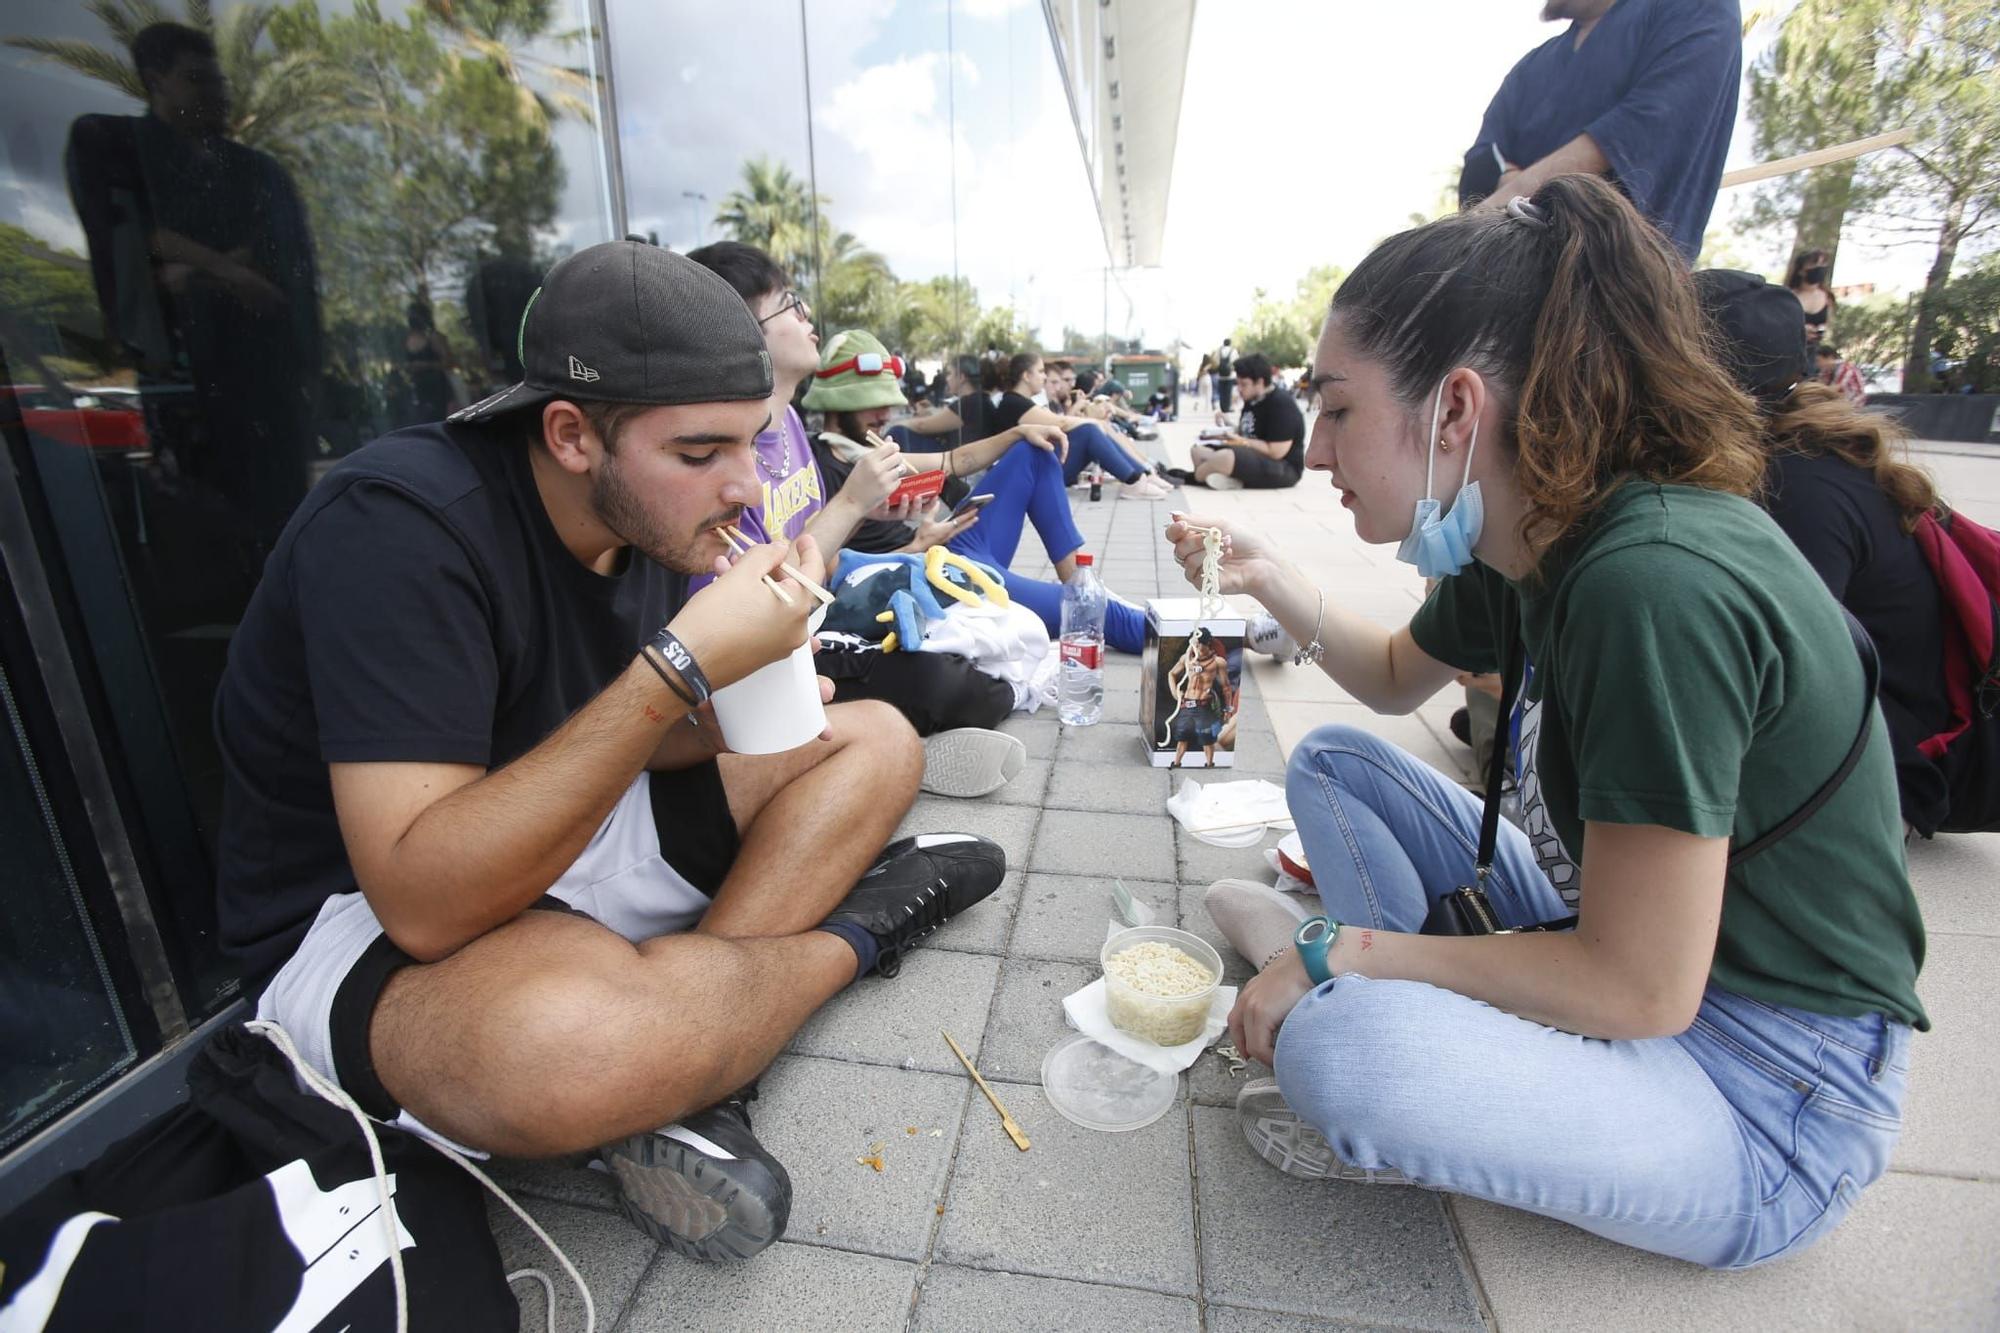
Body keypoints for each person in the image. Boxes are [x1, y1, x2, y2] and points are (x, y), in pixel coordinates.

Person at [1171, 175, 1924, 1269]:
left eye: (1335, 408)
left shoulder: (1648, 583)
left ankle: (1342, 978)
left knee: (1344, 1051)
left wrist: (1340, 954)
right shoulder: (1528, 525)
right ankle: (1372, 978)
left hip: (1767, 1090)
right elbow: (1386, 679)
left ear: (1457, 411)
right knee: (1335, 760)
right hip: (1632, 948)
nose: (1315, 450)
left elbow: (1638, 986)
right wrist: (1263, 573)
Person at [213, 240, 1008, 1264]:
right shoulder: (399, 527)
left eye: (752, 443)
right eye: (698, 453)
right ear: (570, 433)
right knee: (570, 1048)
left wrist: (713, 718)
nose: (741, 488)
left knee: (873, 735)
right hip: (364, 915)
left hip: (563, 833)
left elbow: (611, 741)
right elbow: (421, 898)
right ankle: (855, 931)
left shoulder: (647, 519)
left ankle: (696, 1058)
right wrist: (676, 670)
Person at [685, 242, 1026, 795]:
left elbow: (830, 556)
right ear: (744, 332)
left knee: (996, 632)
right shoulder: (732, 453)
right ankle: (883, 751)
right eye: (791, 305)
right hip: (773, 651)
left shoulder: (789, 421)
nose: (808, 319)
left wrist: (900, 536)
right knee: (963, 684)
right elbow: (768, 598)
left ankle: (882, 747)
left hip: (824, 612)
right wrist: (853, 504)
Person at [1697, 267, 1997, 837]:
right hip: (1898, 746)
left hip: (1907, 777)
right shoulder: (1798, 457)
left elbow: (1796, 673)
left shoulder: (1797, 487)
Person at [808, 335, 1153, 654]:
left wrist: (1017, 432)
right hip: (927, 575)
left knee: (1033, 450)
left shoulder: (866, 452)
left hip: (946, 548)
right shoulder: (821, 470)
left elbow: (953, 460)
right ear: (839, 403)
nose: (885, 414)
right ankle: (1186, 641)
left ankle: (1082, 582)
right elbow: (829, 575)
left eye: (888, 401)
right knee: (1101, 616)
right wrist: (915, 545)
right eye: (873, 403)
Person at [1461, 0, 1741, 262]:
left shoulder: (1697, 7)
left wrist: (1498, 208)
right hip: (1497, 273)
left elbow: (1644, 125)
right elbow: (1483, 157)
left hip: (1616, 285)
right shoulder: (1532, 66)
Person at [987, 352, 1174, 499]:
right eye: (1041, 371)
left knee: (1092, 430)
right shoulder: (1013, 403)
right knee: (1089, 431)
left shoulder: (1019, 402)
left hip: (1032, 472)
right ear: (1027, 376)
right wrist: (1092, 421)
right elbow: (1059, 422)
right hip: (1025, 477)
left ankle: (1141, 475)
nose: (1044, 377)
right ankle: (1134, 481)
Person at [1183, 354, 1306, 490]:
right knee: (1198, 451)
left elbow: (1276, 451)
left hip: (1283, 467)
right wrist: (1226, 427)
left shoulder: (1281, 405)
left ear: (1259, 382)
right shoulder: (1252, 400)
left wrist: (1241, 441)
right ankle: (1227, 479)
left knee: (1226, 457)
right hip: (1251, 457)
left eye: (1244, 384)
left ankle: (1199, 477)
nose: (1239, 389)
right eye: (1238, 384)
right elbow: (1246, 433)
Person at [1164, 629, 1237, 768]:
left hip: (1204, 704)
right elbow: (1172, 673)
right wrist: (1175, 693)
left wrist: (1227, 709)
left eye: (1198, 644)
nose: (1195, 647)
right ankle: (1177, 762)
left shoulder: (1218, 662)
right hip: (1187, 703)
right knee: (1182, 735)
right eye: (1193, 644)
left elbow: (1226, 687)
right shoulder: (1187, 659)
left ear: (1207, 643)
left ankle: (1209, 764)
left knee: (1207, 738)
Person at [1787, 249, 1836, 347]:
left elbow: (1829, 326)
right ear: (1801, 270)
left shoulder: (1828, 297)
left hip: (1811, 354)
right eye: (1814, 263)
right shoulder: (1788, 297)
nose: (1820, 267)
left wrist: (1821, 331)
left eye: (1823, 263)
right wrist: (1799, 330)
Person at [1816, 343, 1867, 407]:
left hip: (1854, 404)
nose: (1818, 364)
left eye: (1819, 361)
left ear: (1830, 357)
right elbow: (1820, 384)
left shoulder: (1846, 369)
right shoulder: (1826, 370)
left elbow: (1831, 390)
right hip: (1841, 403)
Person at [1215, 338, 1237, 413]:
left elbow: (1215, 361)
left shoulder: (1219, 351)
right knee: (1228, 392)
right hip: (1230, 376)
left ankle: (1222, 407)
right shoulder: (1233, 351)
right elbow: (1235, 361)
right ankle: (1227, 408)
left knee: (1221, 392)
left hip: (1220, 375)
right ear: (1230, 343)